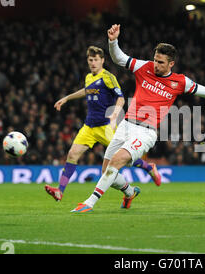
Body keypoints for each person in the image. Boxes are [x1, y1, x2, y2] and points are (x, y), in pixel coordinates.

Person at [70, 24, 205, 213]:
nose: (156, 65)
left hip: (146, 132)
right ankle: (129, 193)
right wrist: (113, 41)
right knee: (106, 172)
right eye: (155, 60)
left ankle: (89, 202)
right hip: (126, 125)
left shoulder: (180, 81)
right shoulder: (145, 67)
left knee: (117, 160)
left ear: (171, 64)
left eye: (161, 62)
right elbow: (120, 58)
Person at [44, 45, 161, 202]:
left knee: (123, 158)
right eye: (90, 60)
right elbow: (86, 90)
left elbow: (120, 97)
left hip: (106, 126)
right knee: (72, 154)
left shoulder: (108, 77)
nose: (93, 63)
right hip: (89, 126)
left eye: (96, 60)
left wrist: (114, 114)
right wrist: (67, 98)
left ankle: (148, 167)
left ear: (102, 61)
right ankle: (60, 191)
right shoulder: (88, 77)